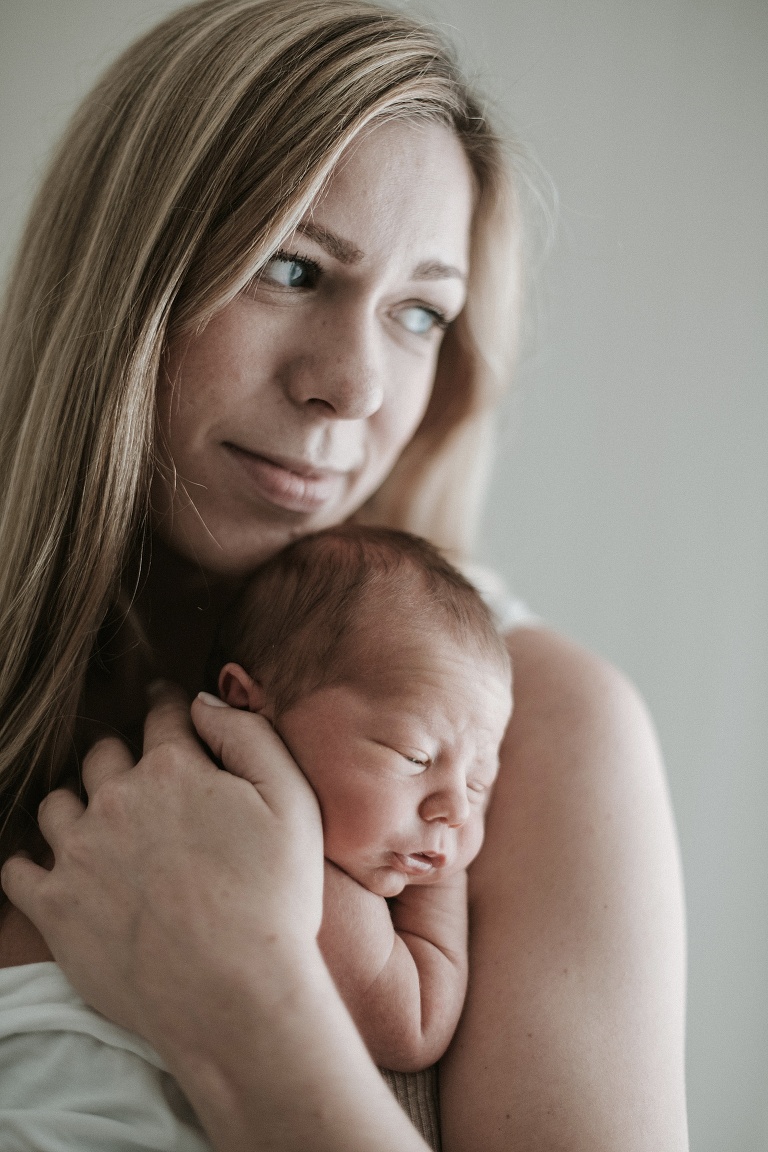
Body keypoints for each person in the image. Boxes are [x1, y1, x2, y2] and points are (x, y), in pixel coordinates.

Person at [0, 1, 689, 1149]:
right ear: (124, 274)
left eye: (421, 312)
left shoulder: (535, 730)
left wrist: (237, 995)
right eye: (292, 268)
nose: (356, 385)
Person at [210, 524, 513, 1074]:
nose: (457, 811)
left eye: (478, 783)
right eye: (415, 757)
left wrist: (436, 863)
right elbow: (412, 1025)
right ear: (248, 710)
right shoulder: (272, 848)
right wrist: (444, 882)